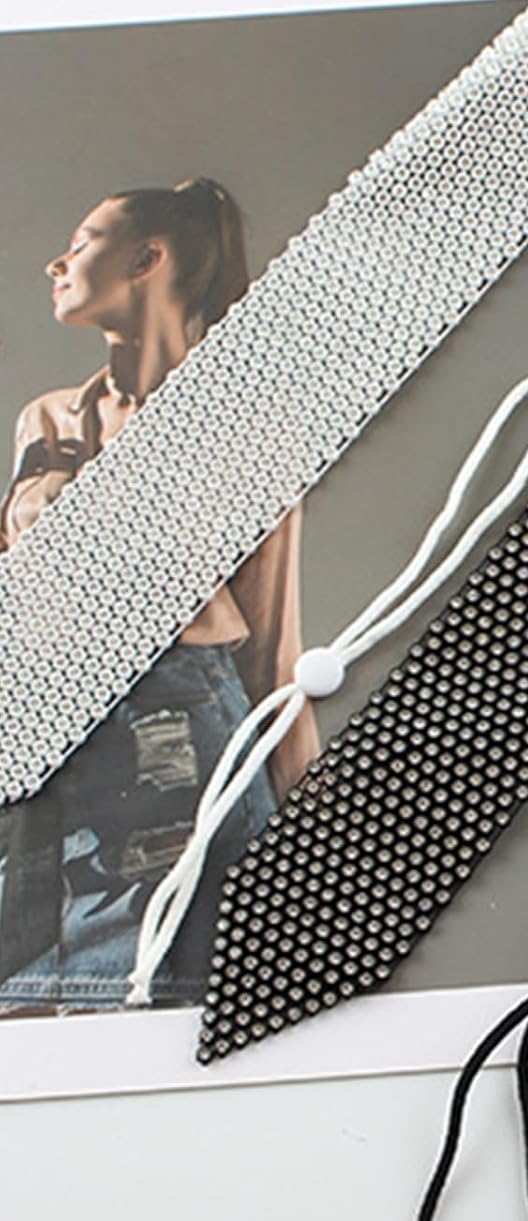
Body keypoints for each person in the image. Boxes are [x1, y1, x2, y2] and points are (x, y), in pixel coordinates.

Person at [0, 178, 318, 1013]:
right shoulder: (47, 420)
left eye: (81, 243)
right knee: (29, 1002)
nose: (55, 263)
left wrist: (315, 838)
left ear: (149, 258)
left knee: (164, 1002)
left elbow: (271, 642)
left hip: (177, 730)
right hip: (49, 731)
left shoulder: (248, 425)